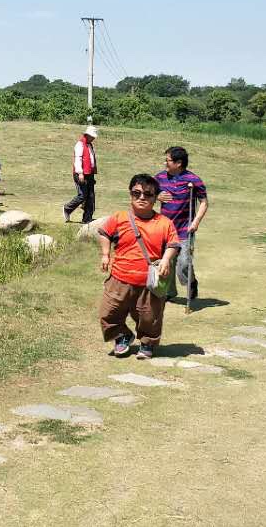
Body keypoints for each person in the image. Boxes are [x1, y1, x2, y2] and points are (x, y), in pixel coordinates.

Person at [97, 173, 181, 360]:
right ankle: (122, 337)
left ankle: (147, 343)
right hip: (119, 278)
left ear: (155, 197)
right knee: (108, 313)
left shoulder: (164, 223)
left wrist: (166, 260)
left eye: (148, 194)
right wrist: (105, 254)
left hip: (150, 281)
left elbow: (173, 243)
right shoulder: (119, 218)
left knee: (149, 316)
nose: (142, 197)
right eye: (137, 193)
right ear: (130, 195)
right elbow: (104, 232)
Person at [155, 146, 209, 303]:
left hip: (185, 229)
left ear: (178, 163)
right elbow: (148, 193)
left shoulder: (193, 180)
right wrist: (158, 196)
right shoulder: (159, 178)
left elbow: (204, 202)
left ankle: (191, 282)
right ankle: (170, 292)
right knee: (167, 262)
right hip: (165, 229)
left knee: (184, 263)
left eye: (168, 160)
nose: (165, 162)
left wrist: (196, 221)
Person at [63, 125, 98, 223]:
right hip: (81, 173)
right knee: (82, 196)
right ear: (87, 135)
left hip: (89, 173)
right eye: (92, 136)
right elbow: (77, 159)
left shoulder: (89, 144)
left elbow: (90, 159)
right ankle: (67, 208)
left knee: (91, 196)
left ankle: (87, 218)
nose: (93, 138)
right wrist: (80, 173)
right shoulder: (80, 144)